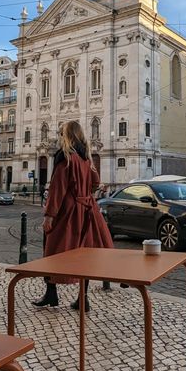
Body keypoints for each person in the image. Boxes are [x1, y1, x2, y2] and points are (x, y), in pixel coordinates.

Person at [33, 121, 113, 311]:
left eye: (61, 134)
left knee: (51, 249)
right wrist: (85, 193)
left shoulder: (65, 157)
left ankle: (51, 293)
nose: (60, 137)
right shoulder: (87, 158)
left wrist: (49, 215)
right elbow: (96, 182)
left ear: (67, 135)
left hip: (67, 212)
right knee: (83, 254)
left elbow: (57, 188)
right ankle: (82, 299)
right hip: (87, 211)